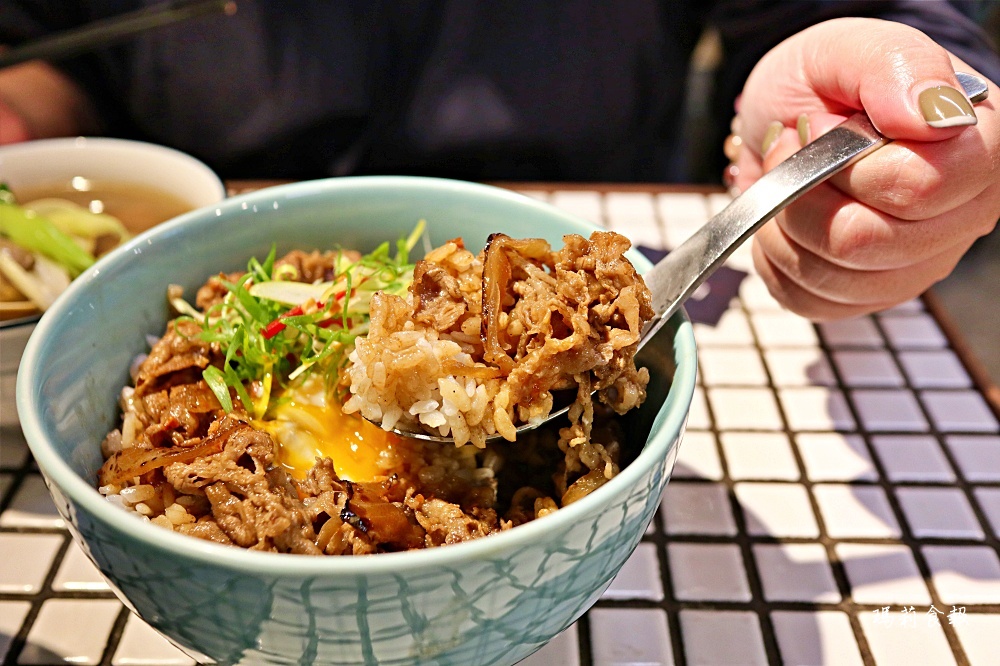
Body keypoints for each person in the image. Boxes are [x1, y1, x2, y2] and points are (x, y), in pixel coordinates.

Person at [1, 1, 998, 321]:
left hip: (593, 262)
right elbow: (46, 39)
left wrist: (881, 95)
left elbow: (870, 17)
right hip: (179, 272)